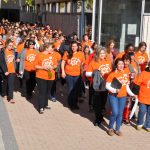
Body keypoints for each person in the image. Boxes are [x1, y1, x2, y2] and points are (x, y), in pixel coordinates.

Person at [106, 58, 136, 136]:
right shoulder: (112, 74)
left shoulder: (125, 74)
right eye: (119, 64)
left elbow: (126, 86)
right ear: (116, 65)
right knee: (115, 112)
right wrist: (114, 90)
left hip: (123, 96)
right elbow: (107, 86)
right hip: (113, 96)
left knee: (120, 113)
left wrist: (132, 94)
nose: (121, 65)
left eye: (122, 64)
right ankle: (110, 128)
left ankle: (117, 129)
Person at [86, 47, 112, 125]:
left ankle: (100, 117)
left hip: (106, 85)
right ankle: (97, 119)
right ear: (97, 54)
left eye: (104, 53)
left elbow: (111, 71)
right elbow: (87, 73)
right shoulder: (93, 62)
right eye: (101, 53)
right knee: (97, 103)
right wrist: (94, 73)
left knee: (103, 103)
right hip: (96, 85)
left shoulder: (108, 61)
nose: (102, 55)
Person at [61, 41, 85, 110]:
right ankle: (71, 104)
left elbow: (83, 63)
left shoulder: (81, 54)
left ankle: (75, 103)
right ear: (70, 47)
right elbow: (63, 62)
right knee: (70, 89)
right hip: (69, 74)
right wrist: (63, 72)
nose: (73, 48)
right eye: (72, 46)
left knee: (76, 90)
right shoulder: (67, 53)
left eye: (75, 46)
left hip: (77, 75)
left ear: (77, 47)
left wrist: (83, 72)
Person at [35, 43, 58, 114]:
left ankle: (45, 104)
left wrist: (52, 67)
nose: (52, 49)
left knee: (47, 91)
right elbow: (35, 66)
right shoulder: (39, 55)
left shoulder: (53, 55)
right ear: (46, 48)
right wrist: (43, 67)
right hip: (41, 76)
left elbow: (55, 65)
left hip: (50, 77)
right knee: (42, 92)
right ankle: (41, 107)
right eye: (51, 48)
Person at [134, 62, 150, 132]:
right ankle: (140, 123)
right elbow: (137, 84)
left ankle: (148, 125)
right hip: (143, 97)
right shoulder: (143, 73)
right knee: (142, 111)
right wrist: (136, 94)